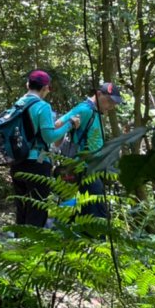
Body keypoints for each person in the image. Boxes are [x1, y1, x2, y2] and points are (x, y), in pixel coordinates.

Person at [10, 70, 79, 228]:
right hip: (37, 162)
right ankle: (32, 247)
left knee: (22, 205)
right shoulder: (43, 106)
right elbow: (49, 137)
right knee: (37, 207)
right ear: (45, 88)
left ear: (28, 84)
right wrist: (69, 124)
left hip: (17, 161)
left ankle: (18, 244)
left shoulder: (17, 105)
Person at [58, 82, 122, 220]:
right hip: (81, 168)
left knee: (83, 212)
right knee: (97, 212)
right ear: (99, 94)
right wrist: (70, 123)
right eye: (109, 101)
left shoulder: (96, 113)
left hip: (91, 169)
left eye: (114, 103)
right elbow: (58, 125)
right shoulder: (85, 110)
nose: (111, 106)